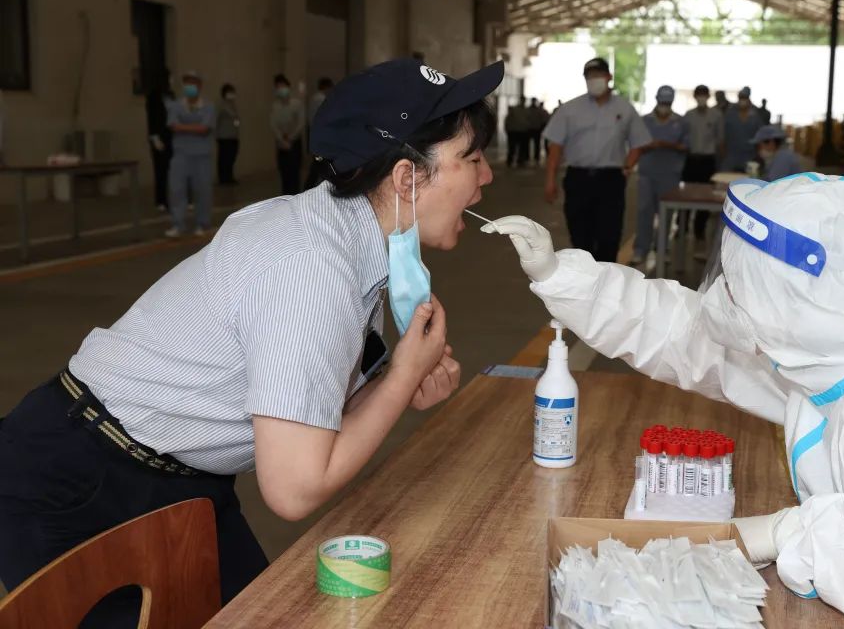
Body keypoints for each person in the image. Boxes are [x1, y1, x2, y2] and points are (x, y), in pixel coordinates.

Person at [0, 57, 503, 627]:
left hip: (178, 477)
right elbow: (294, 489)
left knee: (265, 616)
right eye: (473, 159)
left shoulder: (347, 243)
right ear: (408, 178)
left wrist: (393, 380)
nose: (486, 178)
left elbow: (309, 416)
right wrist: (406, 375)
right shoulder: (309, 269)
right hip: (82, 481)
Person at [483, 174, 844, 629]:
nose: (723, 294)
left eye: (738, 279)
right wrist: (562, 275)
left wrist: (797, 535)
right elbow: (688, 335)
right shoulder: (835, 351)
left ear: (783, 293)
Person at [543, 57, 651, 262]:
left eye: (598, 75)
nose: (594, 80)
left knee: (609, 236)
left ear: (608, 77)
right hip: (578, 178)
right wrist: (550, 181)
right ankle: (586, 279)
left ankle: (605, 281)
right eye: (589, 77)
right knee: (580, 234)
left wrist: (627, 167)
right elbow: (555, 148)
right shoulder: (570, 109)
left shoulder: (625, 108)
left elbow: (639, 142)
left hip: (611, 180)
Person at [626, 85, 688, 266]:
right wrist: (649, 146)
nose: (664, 106)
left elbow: (686, 146)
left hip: (670, 174)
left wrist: (667, 145)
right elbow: (635, 145)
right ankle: (640, 249)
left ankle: (663, 249)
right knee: (644, 211)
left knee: (666, 214)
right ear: (656, 100)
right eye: (662, 102)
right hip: (647, 173)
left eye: (667, 103)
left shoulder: (681, 122)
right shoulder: (644, 121)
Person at [165, 71, 215, 237]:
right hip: (181, 154)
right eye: (187, 83)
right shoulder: (176, 106)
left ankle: (203, 223)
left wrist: (183, 126)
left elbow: (204, 129)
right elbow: (173, 125)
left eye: (193, 83)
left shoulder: (208, 106)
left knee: (202, 190)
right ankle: (178, 224)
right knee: (177, 189)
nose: (189, 87)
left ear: (199, 86)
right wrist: (194, 127)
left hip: (201, 155)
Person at [683, 84, 724, 240]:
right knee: (687, 194)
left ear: (708, 96)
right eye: (698, 94)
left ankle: (699, 229)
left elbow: (720, 141)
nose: (701, 97)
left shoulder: (716, 115)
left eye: (704, 94)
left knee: (706, 195)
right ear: (695, 96)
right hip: (691, 160)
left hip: (708, 161)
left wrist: (719, 165)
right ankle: (683, 225)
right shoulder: (688, 116)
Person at [271, 74, 305, 195]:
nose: (281, 89)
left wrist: (290, 138)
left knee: (294, 174)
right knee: (284, 173)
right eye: (278, 87)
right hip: (281, 144)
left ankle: (295, 197)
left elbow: (301, 123)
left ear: (288, 87)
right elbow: (273, 125)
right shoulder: (275, 106)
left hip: (294, 143)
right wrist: (281, 139)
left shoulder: (297, 104)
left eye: (283, 86)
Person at [145, 74, 173, 212]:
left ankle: (176, 198)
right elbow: (152, 119)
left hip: (171, 137)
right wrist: (154, 137)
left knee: (173, 170)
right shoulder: (153, 97)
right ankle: (161, 200)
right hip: (159, 138)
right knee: (160, 170)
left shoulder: (171, 96)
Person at [304, 78, 336, 190]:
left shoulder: (313, 98)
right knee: (319, 166)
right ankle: (309, 189)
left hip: (315, 135)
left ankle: (308, 188)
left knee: (317, 166)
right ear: (326, 87)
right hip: (322, 137)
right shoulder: (321, 99)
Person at [722, 86, 763, 172]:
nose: (742, 100)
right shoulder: (730, 113)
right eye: (741, 97)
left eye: (744, 98)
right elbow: (723, 134)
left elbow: (760, 136)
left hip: (750, 155)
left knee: (747, 181)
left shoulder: (755, 114)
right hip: (731, 155)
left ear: (749, 98)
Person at [216, 83, 240, 185]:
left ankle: (230, 177)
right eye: (229, 92)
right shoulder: (221, 105)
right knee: (224, 158)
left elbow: (236, 119)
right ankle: (223, 179)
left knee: (231, 157)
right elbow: (216, 120)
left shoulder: (233, 105)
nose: (232, 94)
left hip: (233, 136)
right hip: (224, 136)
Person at [504, 97, 531, 168]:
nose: (523, 102)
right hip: (514, 131)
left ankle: (520, 161)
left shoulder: (527, 110)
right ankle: (510, 161)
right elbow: (508, 120)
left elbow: (529, 121)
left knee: (522, 148)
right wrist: (507, 129)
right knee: (512, 147)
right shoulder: (514, 110)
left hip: (523, 131)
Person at [526, 98, 549, 164]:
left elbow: (543, 119)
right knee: (528, 144)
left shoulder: (539, 110)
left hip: (536, 129)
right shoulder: (528, 109)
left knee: (537, 144)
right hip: (529, 128)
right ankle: (527, 157)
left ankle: (536, 157)